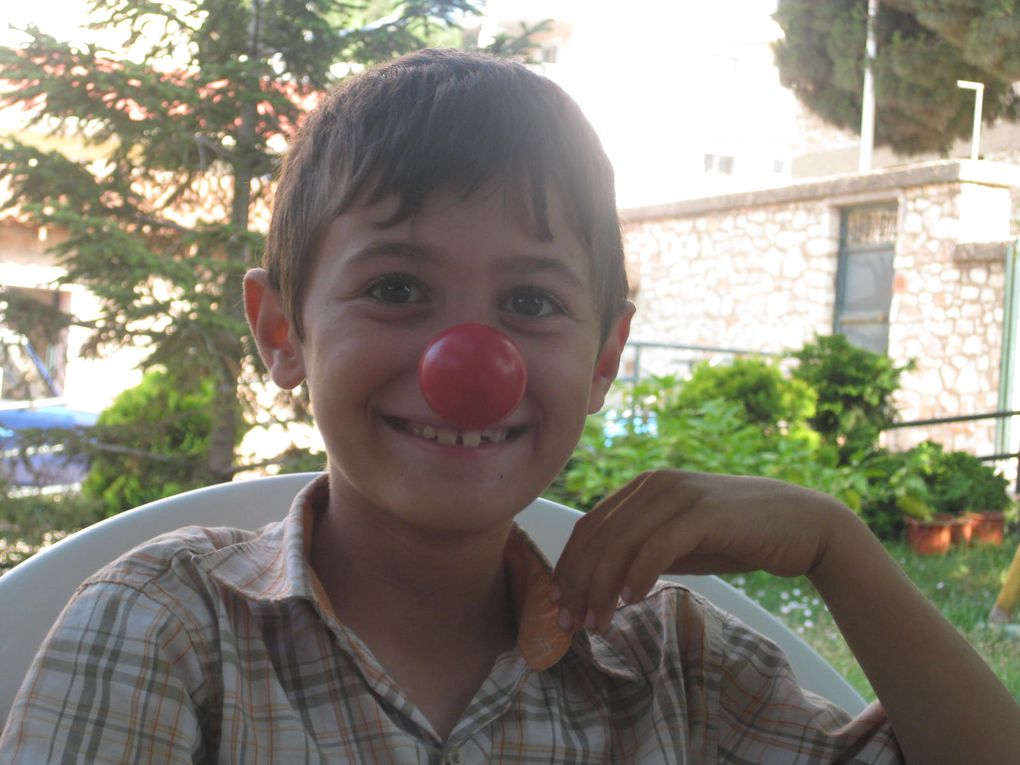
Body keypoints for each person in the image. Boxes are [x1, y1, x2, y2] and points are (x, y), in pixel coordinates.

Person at [2, 49, 1019, 764]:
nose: (468, 363)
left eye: (530, 303)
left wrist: (837, 546)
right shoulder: (167, 632)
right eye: (396, 288)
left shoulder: (676, 666)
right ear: (282, 334)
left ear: (604, 356)